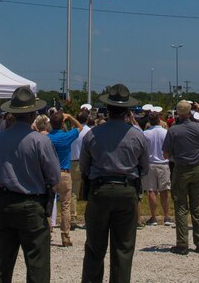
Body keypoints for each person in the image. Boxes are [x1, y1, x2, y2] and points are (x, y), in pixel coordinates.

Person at [0, 86, 61, 283]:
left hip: (4, 202)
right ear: (33, 114)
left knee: (0, 264)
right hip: (32, 205)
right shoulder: (41, 141)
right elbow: (54, 177)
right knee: (37, 264)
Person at [79, 83, 149, 283]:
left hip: (100, 190)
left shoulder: (93, 134)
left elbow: (84, 166)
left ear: (107, 109)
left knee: (94, 246)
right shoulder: (137, 135)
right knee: (123, 248)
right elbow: (144, 168)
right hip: (127, 191)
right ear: (127, 110)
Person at [163, 99, 199, 255]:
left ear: (178, 113)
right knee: (197, 205)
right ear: (190, 111)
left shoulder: (173, 130)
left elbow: (166, 154)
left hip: (181, 169)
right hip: (197, 168)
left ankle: (182, 244)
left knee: (181, 206)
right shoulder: (198, 127)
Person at [46, 109, 83, 246]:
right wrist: (70, 116)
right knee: (65, 206)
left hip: (51, 173)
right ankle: (65, 235)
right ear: (62, 123)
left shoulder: (48, 138)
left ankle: (47, 232)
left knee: (49, 203)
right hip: (65, 172)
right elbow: (80, 127)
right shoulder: (67, 136)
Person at [140, 107, 170, 226]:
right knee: (164, 191)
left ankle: (153, 217)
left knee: (151, 191)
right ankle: (166, 217)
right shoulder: (166, 132)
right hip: (163, 163)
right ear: (159, 120)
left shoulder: (145, 133)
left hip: (150, 163)